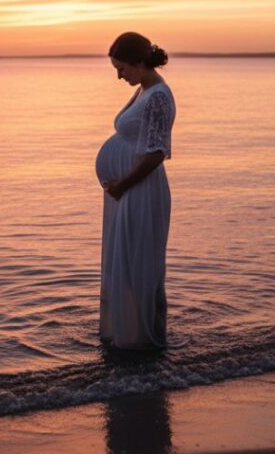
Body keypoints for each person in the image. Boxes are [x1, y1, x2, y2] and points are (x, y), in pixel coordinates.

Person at [95, 32, 176, 349]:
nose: (119, 76)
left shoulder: (158, 96)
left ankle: (142, 344)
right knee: (124, 264)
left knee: (137, 267)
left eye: (122, 68)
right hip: (125, 191)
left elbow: (157, 153)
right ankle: (126, 336)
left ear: (140, 63)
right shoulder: (143, 90)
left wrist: (123, 184)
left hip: (140, 191)